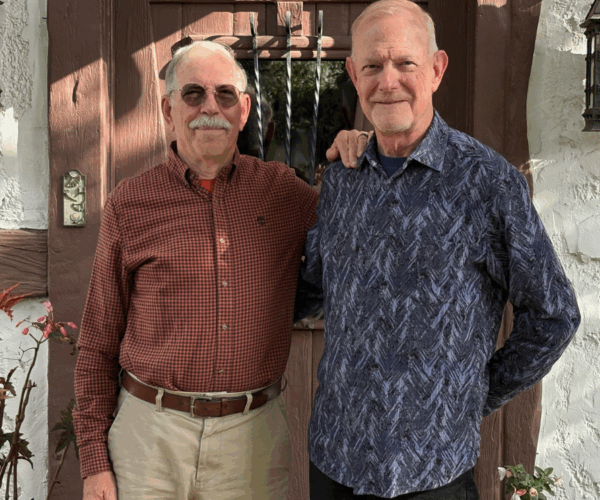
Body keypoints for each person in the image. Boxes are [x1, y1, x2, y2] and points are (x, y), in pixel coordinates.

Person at [299, 1, 581, 499]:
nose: (388, 81)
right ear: (353, 74)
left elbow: (554, 315)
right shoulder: (342, 180)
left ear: (436, 68)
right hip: (336, 461)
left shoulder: (488, 183)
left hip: (435, 471)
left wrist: (472, 396)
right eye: (372, 65)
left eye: (404, 63)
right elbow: (314, 288)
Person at [74, 40, 366, 500]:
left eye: (225, 94)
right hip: (148, 439)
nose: (210, 107)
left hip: (251, 442)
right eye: (193, 94)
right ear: (168, 110)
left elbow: (356, 227)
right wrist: (94, 462)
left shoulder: (283, 193)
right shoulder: (130, 204)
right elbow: (97, 342)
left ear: (243, 110)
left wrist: (366, 151)